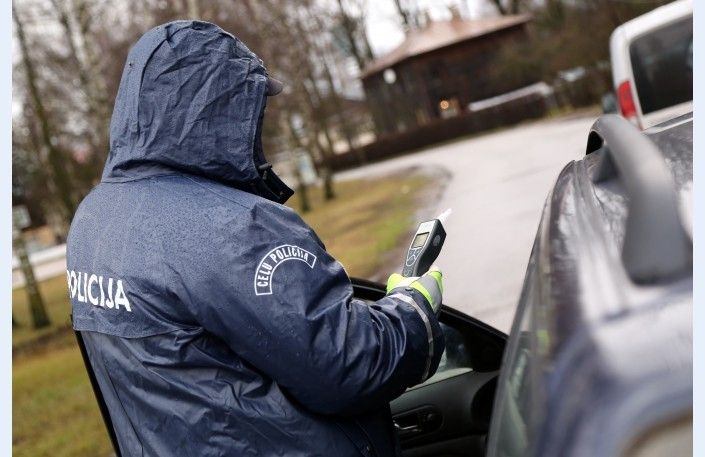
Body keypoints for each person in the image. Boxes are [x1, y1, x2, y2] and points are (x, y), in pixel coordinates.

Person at [67, 20, 445, 457]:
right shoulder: (235, 228)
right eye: (251, 106)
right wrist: (412, 312)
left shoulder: (94, 221)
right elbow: (349, 366)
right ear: (224, 111)